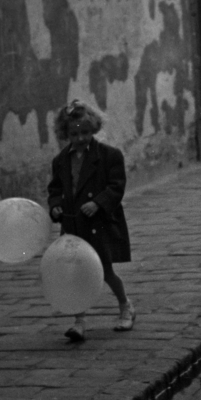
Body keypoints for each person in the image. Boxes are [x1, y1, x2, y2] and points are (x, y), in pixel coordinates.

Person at [48, 99, 135, 344]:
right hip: (74, 225)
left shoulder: (109, 156)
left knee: (105, 271)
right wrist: (55, 206)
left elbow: (116, 186)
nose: (80, 138)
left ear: (93, 129)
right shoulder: (61, 160)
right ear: (66, 134)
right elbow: (55, 188)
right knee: (75, 273)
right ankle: (79, 321)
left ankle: (125, 305)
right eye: (74, 134)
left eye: (85, 132)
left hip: (98, 223)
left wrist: (98, 202)